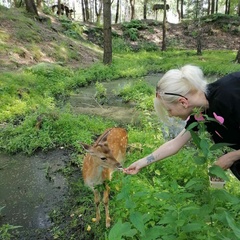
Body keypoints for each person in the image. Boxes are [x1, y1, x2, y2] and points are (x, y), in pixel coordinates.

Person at [123, 65, 240, 180]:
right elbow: (175, 143)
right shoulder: (201, 112)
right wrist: (141, 163)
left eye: (169, 110)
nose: (170, 115)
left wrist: (230, 157)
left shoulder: (229, 96)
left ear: (183, 102)